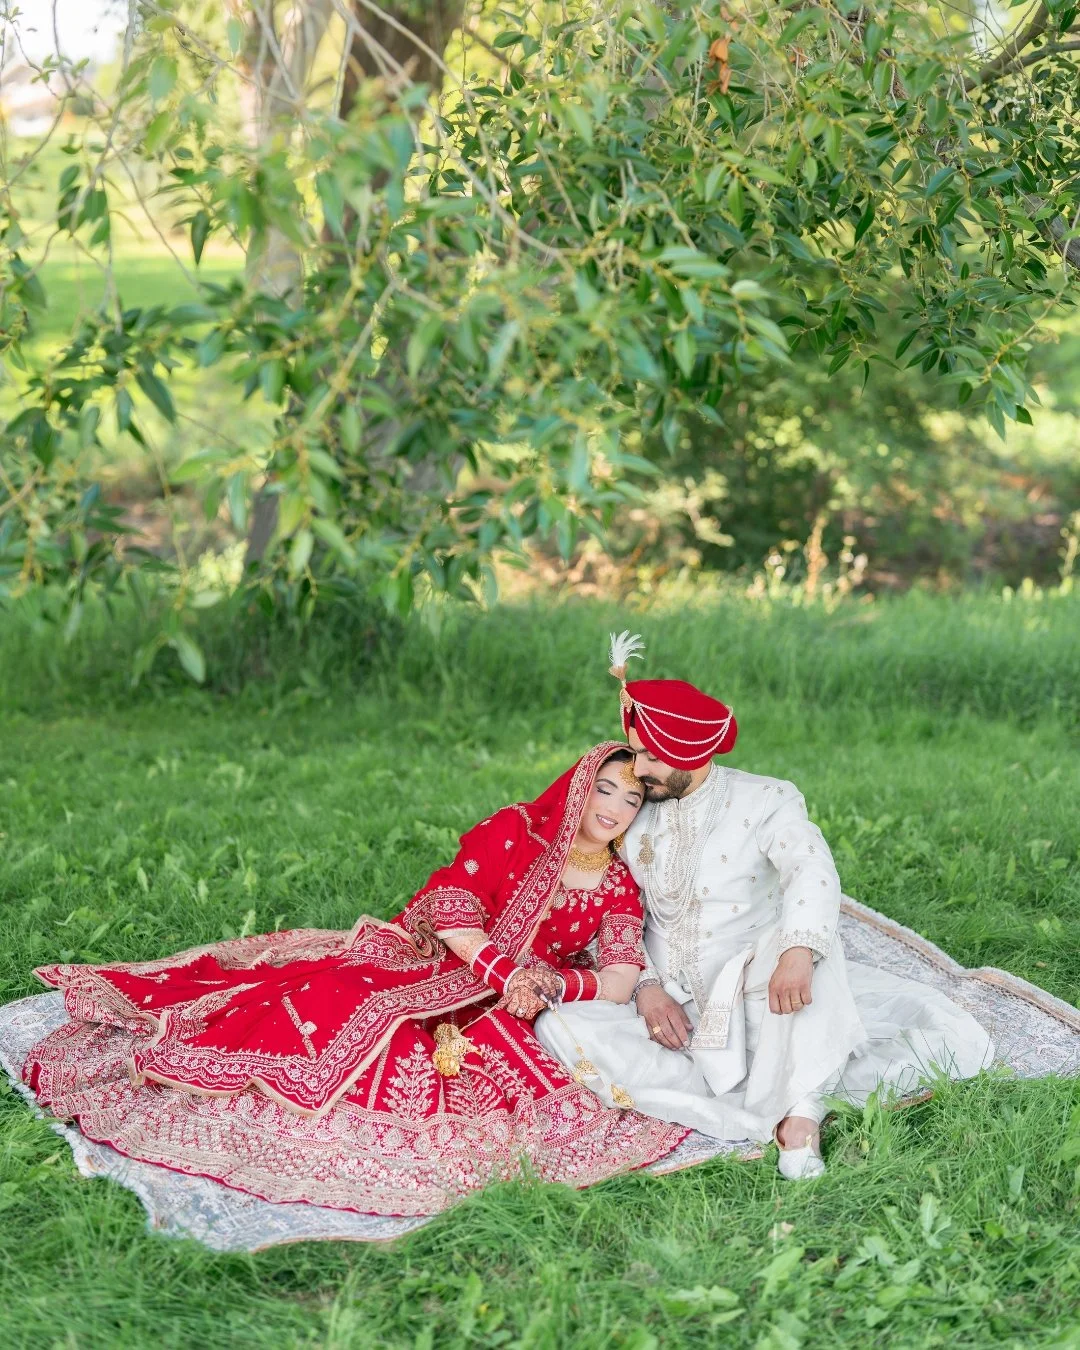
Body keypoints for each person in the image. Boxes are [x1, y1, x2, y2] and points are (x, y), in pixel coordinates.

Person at [22, 743, 687, 1216]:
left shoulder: (618, 882)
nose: (614, 808)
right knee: (334, 1006)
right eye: (605, 789)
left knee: (484, 1085)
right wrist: (507, 971)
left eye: (632, 799)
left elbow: (623, 977)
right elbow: (454, 910)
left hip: (514, 1004)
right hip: (440, 962)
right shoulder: (514, 831)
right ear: (578, 785)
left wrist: (548, 989)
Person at [536, 635, 994, 1179]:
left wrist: (799, 951)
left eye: (651, 755)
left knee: (813, 958)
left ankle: (801, 1114)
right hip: (667, 995)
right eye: (635, 752)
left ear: (689, 755)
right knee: (560, 1024)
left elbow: (811, 869)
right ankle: (731, 1094)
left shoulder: (767, 799)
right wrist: (645, 987)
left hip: (757, 981)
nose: (637, 770)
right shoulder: (638, 810)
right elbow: (619, 908)